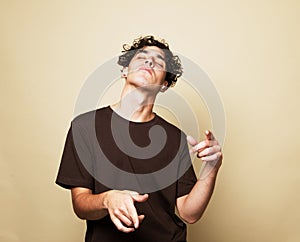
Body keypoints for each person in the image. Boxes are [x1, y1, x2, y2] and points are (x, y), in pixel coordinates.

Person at [56, 35, 223, 242]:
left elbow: (190, 213)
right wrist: (107, 199)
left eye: (159, 61)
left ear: (165, 84)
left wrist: (211, 168)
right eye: (141, 56)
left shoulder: (175, 138)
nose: (149, 61)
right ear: (124, 71)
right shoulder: (84, 127)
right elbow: (81, 204)